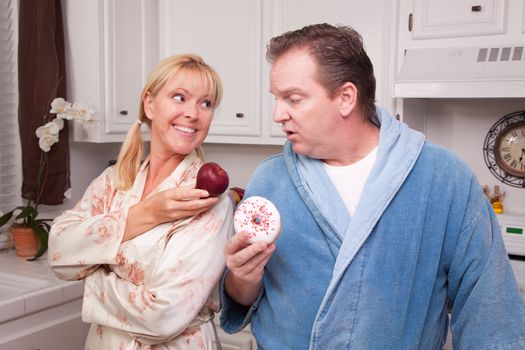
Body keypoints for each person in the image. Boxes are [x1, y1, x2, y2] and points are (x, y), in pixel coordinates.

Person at [220, 23, 525, 349]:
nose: (277, 114)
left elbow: (491, 316)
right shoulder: (270, 179)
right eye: (276, 98)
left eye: (293, 99)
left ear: (345, 98)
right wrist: (242, 277)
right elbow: (243, 298)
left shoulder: (443, 179)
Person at [48, 54, 234, 349]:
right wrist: (143, 215)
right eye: (179, 97)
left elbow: (162, 315)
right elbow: (58, 251)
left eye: (206, 103)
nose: (193, 114)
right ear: (149, 104)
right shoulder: (115, 180)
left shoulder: (209, 200)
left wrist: (93, 274)